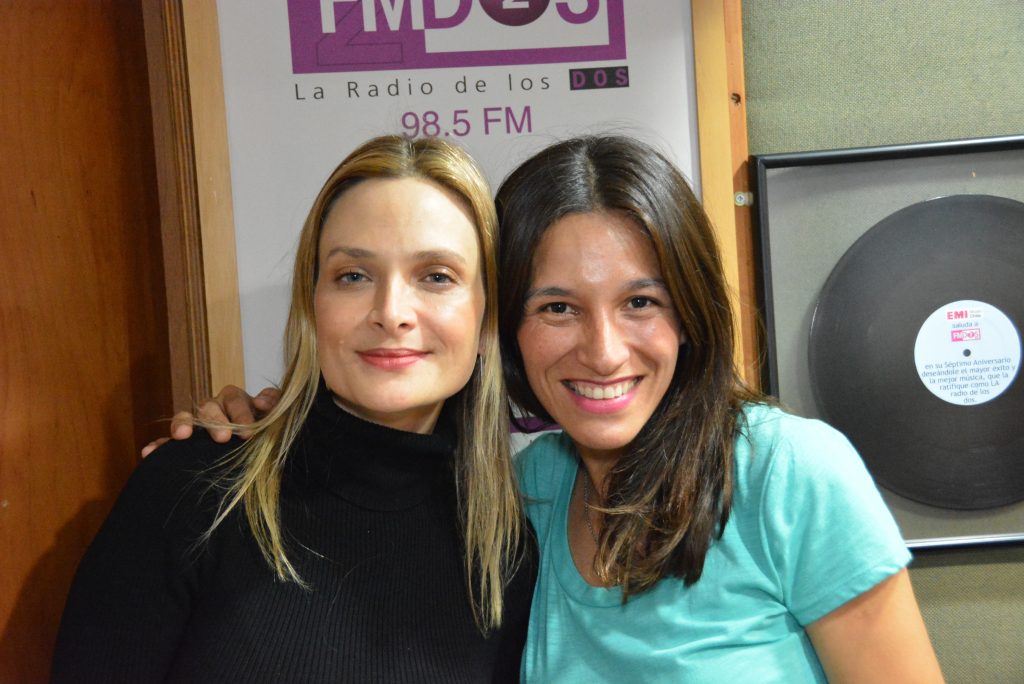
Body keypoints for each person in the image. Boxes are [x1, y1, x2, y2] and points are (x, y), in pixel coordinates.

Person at [160, 135, 943, 682]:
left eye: (641, 301)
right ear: (506, 329)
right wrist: (258, 427)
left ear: (691, 314)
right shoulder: (523, 496)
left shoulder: (789, 474)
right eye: (558, 307)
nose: (602, 351)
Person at [52, 135, 536, 683]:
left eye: (436, 276)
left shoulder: (506, 552)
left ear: (486, 319)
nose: (391, 311)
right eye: (353, 276)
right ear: (312, 307)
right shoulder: (193, 492)